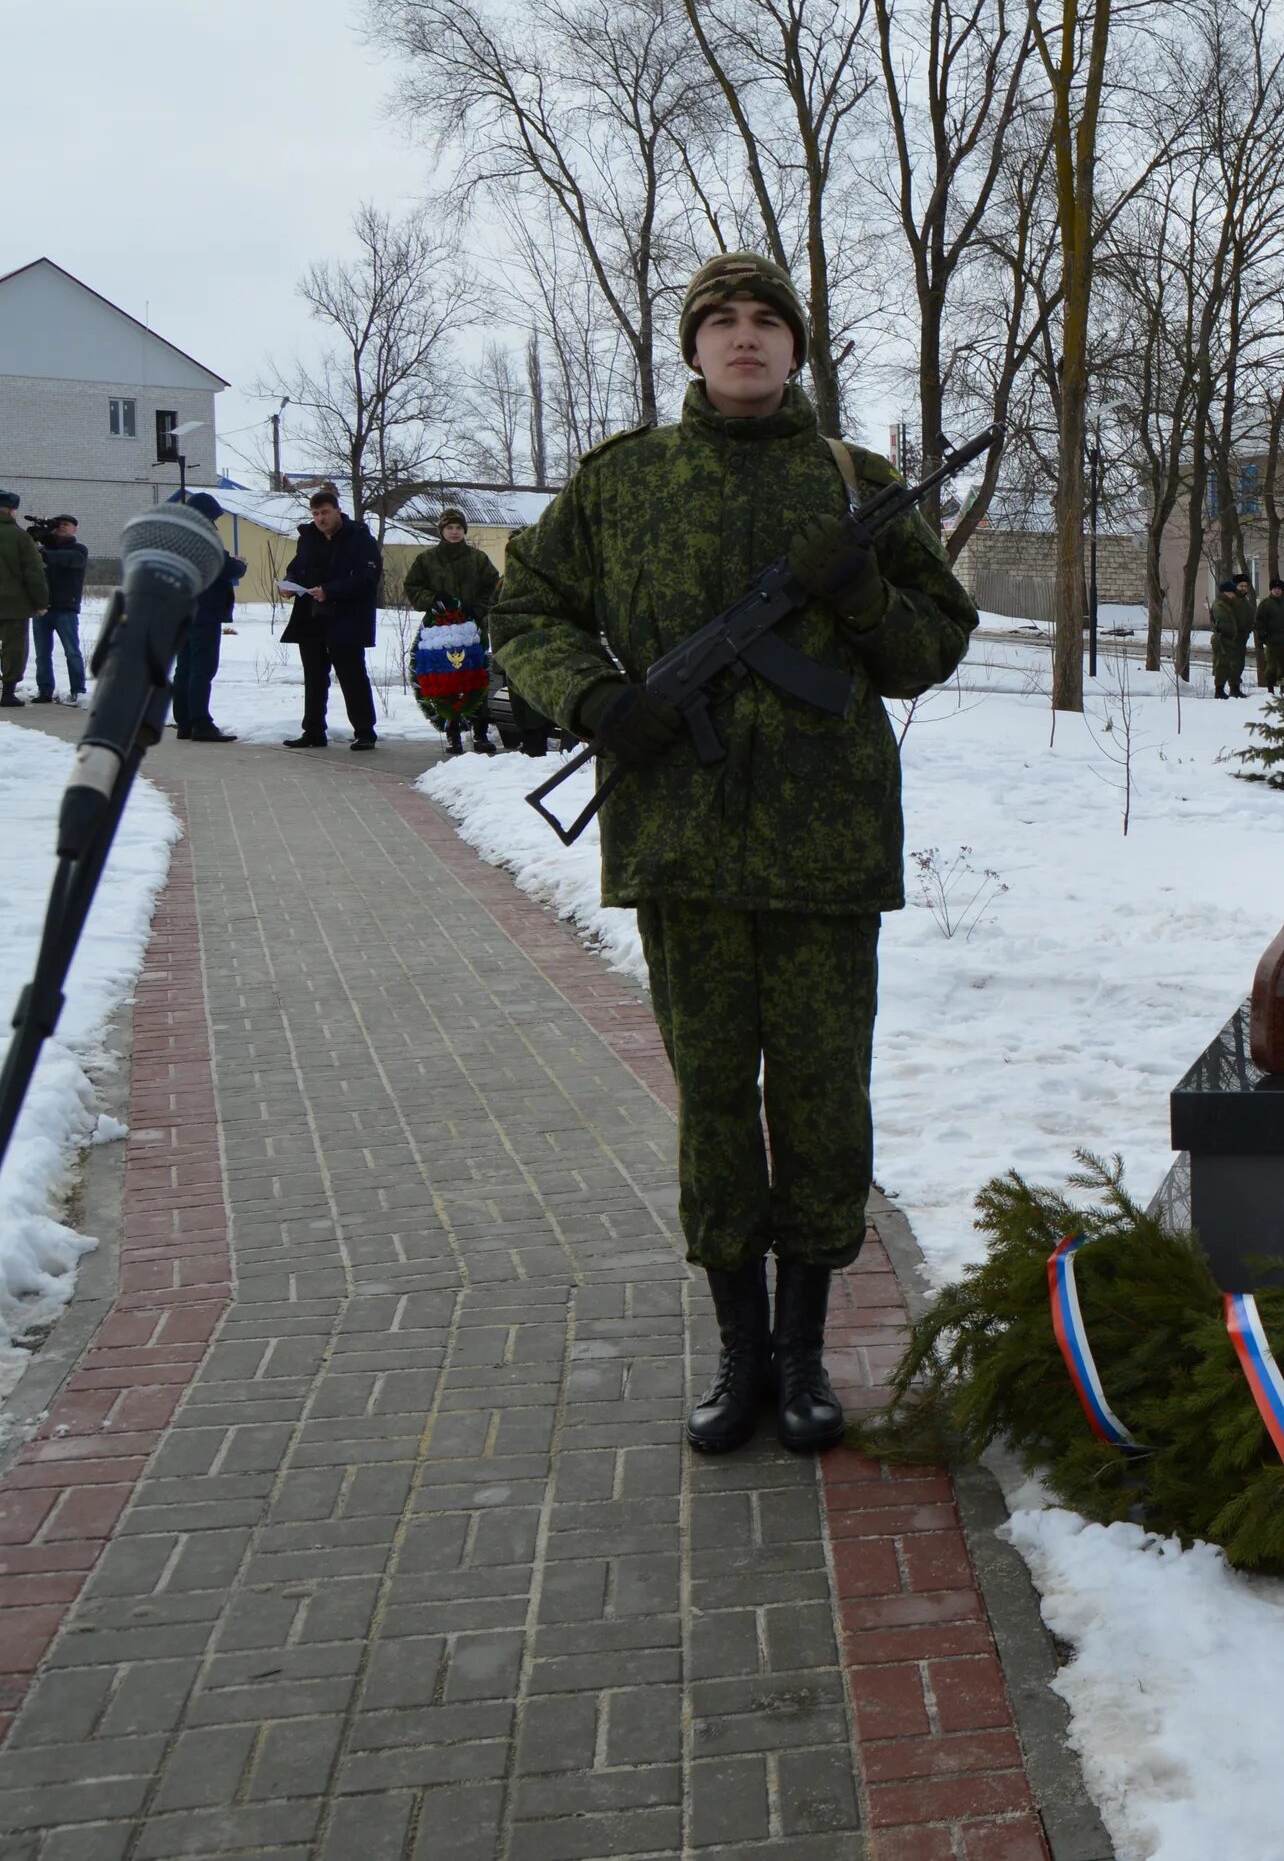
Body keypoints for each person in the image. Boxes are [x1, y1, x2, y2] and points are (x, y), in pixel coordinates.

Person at [490, 251, 976, 1457]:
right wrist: (597, 701)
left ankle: (806, 1352)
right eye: (723, 322)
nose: (746, 338)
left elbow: (928, 650)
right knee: (714, 1100)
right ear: (694, 348)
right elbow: (527, 611)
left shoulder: (856, 483)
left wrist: (861, 595)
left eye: (768, 320)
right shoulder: (625, 482)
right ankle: (739, 1350)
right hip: (682, 841)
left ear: (797, 348)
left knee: (821, 1096)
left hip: (825, 845)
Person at [281, 486, 383, 749]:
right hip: (311, 616)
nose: (320, 519)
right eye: (315, 514)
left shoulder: (359, 538)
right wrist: (290, 584)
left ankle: (364, 731)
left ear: (338, 511)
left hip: (346, 617)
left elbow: (367, 578)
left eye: (324, 512)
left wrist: (331, 590)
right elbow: (297, 568)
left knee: (352, 675)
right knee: (314, 676)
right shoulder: (308, 538)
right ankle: (313, 730)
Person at [406, 507, 504, 754]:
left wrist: (477, 609)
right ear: (442, 530)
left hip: (472, 630)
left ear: (464, 531)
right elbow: (413, 586)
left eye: (459, 528)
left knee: (476, 678)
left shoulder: (478, 559)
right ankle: (452, 734)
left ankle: (480, 733)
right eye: (449, 527)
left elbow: (494, 587)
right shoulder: (427, 560)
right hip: (439, 632)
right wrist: (432, 600)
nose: (454, 532)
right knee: (446, 681)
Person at [169, 493, 246, 742]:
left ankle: (184, 722)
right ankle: (201, 723)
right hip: (204, 612)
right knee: (202, 669)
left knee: (185, 668)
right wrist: (240, 564)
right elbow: (225, 567)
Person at [31, 515, 88, 705]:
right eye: (59, 525)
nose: (62, 527)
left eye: (67, 524)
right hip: (42, 608)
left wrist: (43, 548)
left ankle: (78, 690)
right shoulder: (45, 548)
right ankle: (44, 690)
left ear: (75, 529)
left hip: (66, 608)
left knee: (72, 651)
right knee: (42, 653)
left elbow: (66, 559)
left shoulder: (78, 549)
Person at [0, 491, 42, 706]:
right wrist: (40, 602)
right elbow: (33, 572)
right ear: (12, 509)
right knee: (14, 647)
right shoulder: (19, 536)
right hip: (13, 603)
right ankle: (7, 692)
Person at [1210, 573, 1253, 697]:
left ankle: (1235, 687)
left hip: (1241, 636)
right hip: (1231, 637)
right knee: (1227, 664)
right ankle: (1226, 688)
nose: (1244, 588)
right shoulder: (1229, 602)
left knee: (1238, 664)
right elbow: (1225, 619)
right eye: (1241, 586)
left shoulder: (1243, 600)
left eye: (1246, 586)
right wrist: (1232, 631)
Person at [1253, 576, 1284, 689]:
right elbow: (1259, 622)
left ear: (1282, 590)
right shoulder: (1265, 604)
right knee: (1271, 666)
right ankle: (1270, 688)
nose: (1277, 590)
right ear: (1271, 590)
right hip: (1271, 639)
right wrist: (1261, 636)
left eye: (1279, 588)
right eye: (1274, 588)